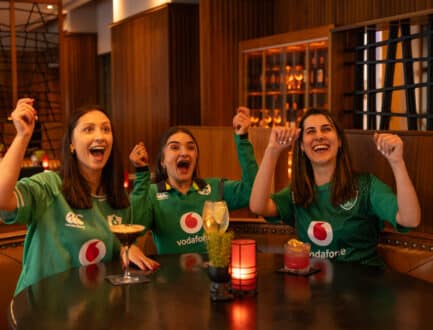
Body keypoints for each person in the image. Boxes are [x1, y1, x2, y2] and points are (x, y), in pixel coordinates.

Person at [0, 98, 150, 296]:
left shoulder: (118, 199)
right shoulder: (50, 185)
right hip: (41, 311)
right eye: (88, 129)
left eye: (106, 129)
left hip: (93, 312)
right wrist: (22, 136)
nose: (100, 136)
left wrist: (125, 250)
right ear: (71, 144)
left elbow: (116, 263)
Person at [250, 108, 421, 266]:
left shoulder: (366, 185)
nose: (319, 136)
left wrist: (397, 162)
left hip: (365, 287)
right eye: (311, 131)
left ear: (339, 141)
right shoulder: (298, 191)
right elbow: (258, 206)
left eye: (326, 129)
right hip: (317, 289)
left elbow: (410, 220)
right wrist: (272, 151)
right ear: (301, 146)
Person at [128, 107, 258, 269]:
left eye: (190, 147)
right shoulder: (152, 194)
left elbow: (253, 191)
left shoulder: (215, 187)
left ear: (196, 157)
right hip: (171, 283)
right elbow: (134, 226)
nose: (184, 153)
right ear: (162, 160)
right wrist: (141, 173)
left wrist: (242, 140)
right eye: (175, 147)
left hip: (212, 279)